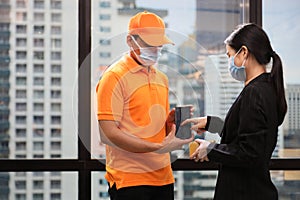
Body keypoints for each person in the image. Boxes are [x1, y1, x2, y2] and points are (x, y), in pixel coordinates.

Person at [182, 23, 287, 200]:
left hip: (245, 193)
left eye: (229, 55)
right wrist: (212, 123)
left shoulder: (254, 92)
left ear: (244, 52)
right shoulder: (265, 88)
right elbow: (249, 133)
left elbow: (250, 153)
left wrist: (211, 149)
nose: (229, 62)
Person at [96, 11, 193, 200]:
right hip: (130, 181)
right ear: (130, 41)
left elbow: (154, 131)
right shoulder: (114, 77)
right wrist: (157, 147)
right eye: (149, 44)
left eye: (159, 45)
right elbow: (108, 134)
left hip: (163, 177)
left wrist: (168, 123)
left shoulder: (161, 78)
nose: (155, 50)